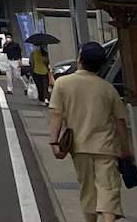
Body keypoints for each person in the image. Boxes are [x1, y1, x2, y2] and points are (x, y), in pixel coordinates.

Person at [52, 41, 132, 222]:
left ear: (80, 59)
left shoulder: (62, 83)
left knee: (88, 193)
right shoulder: (108, 89)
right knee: (108, 192)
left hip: (79, 148)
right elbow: (120, 122)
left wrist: (54, 143)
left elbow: (57, 114)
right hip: (106, 148)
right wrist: (125, 149)